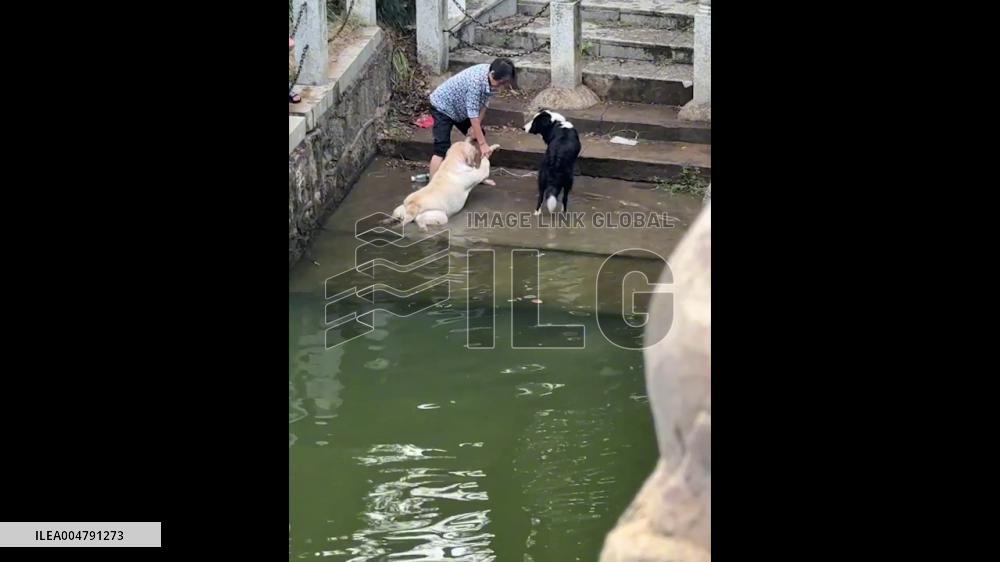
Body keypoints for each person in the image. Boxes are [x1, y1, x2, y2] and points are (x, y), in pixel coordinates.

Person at [427, 58, 517, 176]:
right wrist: (483, 144)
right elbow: (473, 116)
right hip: (442, 107)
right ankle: (433, 184)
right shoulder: (476, 81)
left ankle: (477, 175)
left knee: (478, 136)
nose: (502, 86)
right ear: (492, 74)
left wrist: (476, 128)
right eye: (501, 83)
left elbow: (484, 103)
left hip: (460, 109)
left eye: (505, 83)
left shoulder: (491, 77)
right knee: (441, 148)